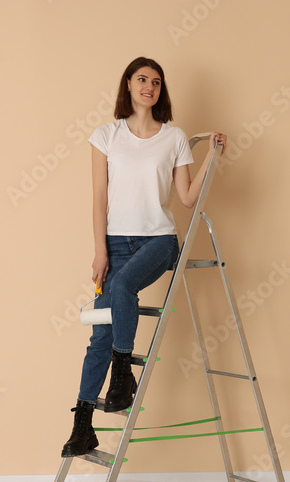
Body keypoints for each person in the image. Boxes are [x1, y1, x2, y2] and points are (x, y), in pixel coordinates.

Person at [61, 56, 226, 458]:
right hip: (115, 244)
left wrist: (211, 158)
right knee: (99, 336)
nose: (148, 86)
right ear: (129, 85)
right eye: (141, 79)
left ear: (160, 90)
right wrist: (100, 250)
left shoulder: (174, 138)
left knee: (122, 287)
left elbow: (186, 199)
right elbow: (99, 198)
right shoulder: (106, 136)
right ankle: (83, 426)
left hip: (159, 241)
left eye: (155, 81)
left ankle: (123, 378)